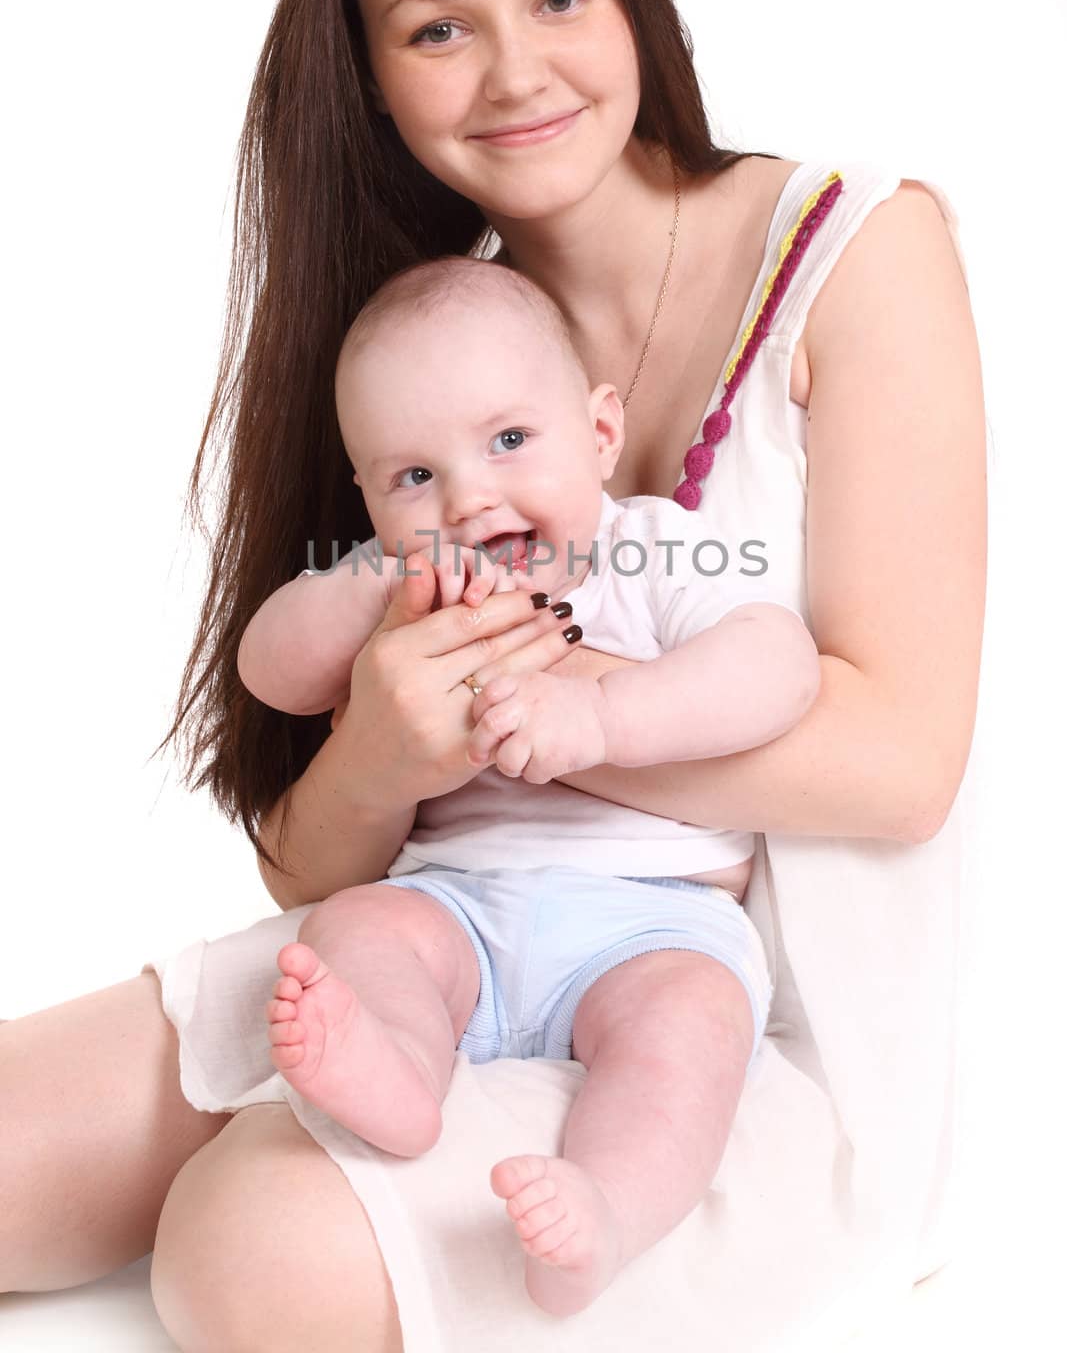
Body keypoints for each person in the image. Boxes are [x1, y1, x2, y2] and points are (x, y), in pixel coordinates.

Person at [0, 0, 985, 1353]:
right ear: (369, 76)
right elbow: (314, 854)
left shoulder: (854, 256)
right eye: (436, 27)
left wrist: (562, 709)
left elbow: (896, 764)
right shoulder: (424, 340)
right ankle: (375, 1085)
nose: (514, 70)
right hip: (451, 933)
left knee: (243, 1251)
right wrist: (385, 750)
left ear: (633, 0)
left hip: (733, 1018)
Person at [235, 255, 821, 1315]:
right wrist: (375, 579)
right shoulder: (397, 582)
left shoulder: (651, 549)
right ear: (366, 496)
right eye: (413, 475)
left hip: (651, 926)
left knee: (685, 1036)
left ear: (598, 434)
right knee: (359, 928)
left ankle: (602, 1210)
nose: (469, 497)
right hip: (455, 904)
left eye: (509, 441)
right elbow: (267, 667)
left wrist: (601, 716)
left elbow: (775, 665)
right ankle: (399, 1075)